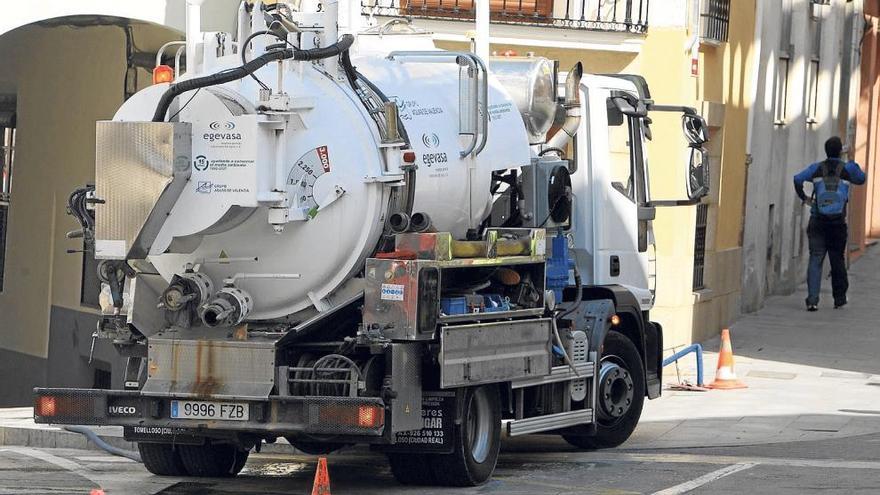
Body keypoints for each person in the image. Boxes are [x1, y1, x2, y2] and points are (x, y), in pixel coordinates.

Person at [793, 136, 866, 311]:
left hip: (817, 221)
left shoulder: (817, 168)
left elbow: (797, 179)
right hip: (837, 224)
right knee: (837, 259)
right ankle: (839, 298)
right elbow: (861, 178)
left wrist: (805, 198)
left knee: (815, 259)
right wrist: (849, 159)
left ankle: (812, 300)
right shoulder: (847, 169)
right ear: (840, 150)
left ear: (826, 151)